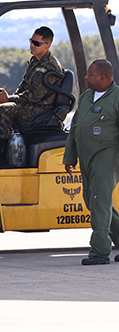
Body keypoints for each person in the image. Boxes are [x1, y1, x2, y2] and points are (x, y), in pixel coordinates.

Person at [0, 26, 63, 166]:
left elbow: (34, 96)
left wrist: (9, 99)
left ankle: (0, 154)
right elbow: (24, 86)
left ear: (47, 45)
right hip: (29, 104)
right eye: (31, 41)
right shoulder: (35, 61)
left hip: (40, 109)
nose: (32, 46)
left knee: (3, 110)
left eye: (36, 43)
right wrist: (10, 97)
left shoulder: (48, 66)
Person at [63, 59, 119, 265]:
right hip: (86, 156)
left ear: (103, 77)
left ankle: (100, 251)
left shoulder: (117, 97)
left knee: (99, 201)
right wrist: (70, 157)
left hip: (108, 155)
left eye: (90, 75)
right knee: (91, 199)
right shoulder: (86, 97)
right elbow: (75, 128)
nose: (86, 78)